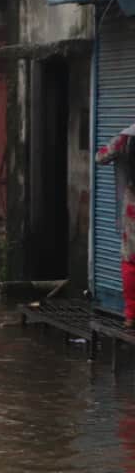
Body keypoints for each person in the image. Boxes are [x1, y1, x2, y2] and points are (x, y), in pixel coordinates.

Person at [97, 122, 135, 327]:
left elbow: (100, 157)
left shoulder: (126, 138)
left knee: (130, 260)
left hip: (132, 208)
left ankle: (131, 316)